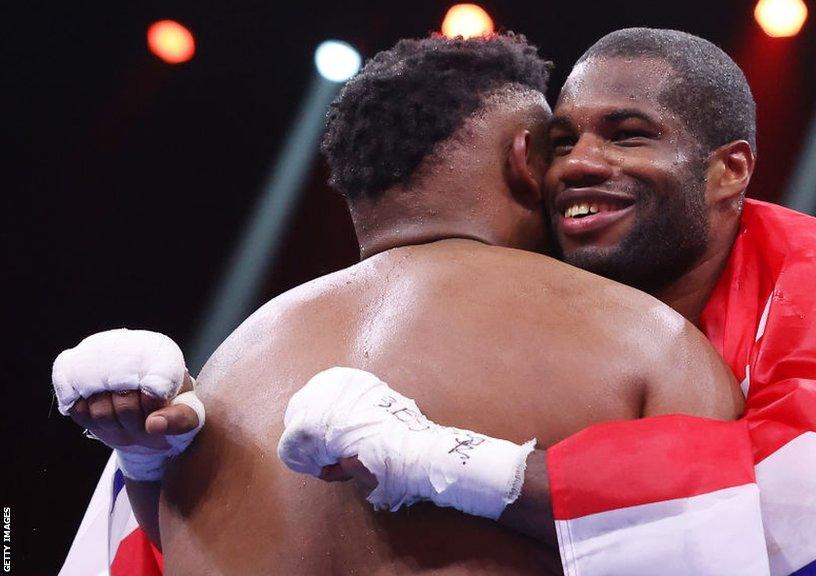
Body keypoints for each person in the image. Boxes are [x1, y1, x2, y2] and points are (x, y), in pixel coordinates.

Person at [54, 33, 743, 575]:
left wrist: (148, 471)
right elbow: (727, 548)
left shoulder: (231, 369)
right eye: (561, 145)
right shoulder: (646, 338)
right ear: (525, 159)